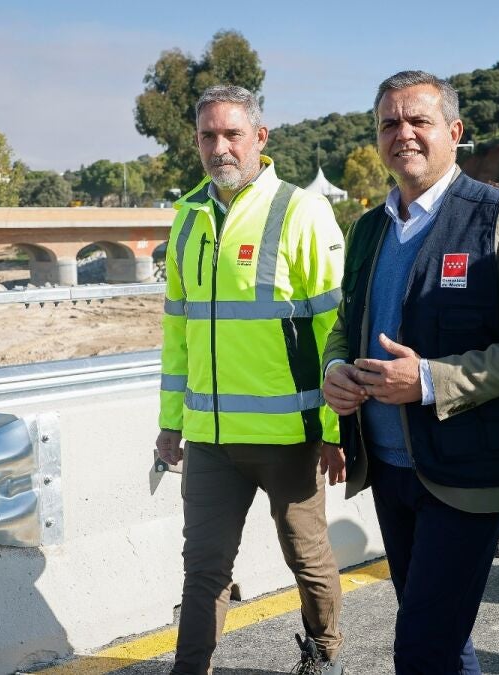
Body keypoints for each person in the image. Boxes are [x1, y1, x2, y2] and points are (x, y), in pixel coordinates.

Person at [321, 70, 499, 673]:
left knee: (422, 646)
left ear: (454, 132)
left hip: (468, 477)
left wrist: (430, 381)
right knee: (444, 640)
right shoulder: (368, 229)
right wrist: (335, 368)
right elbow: (346, 325)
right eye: (389, 123)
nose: (402, 133)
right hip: (388, 470)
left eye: (418, 121)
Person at [156, 84, 347, 675]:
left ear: (260, 138)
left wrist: (336, 428)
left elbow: (335, 330)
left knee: (306, 558)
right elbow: (178, 332)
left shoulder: (300, 210)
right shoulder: (187, 218)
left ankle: (325, 653)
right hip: (210, 439)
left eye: (232, 134)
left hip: (289, 436)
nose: (220, 147)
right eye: (208, 136)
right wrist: (169, 423)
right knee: (203, 569)